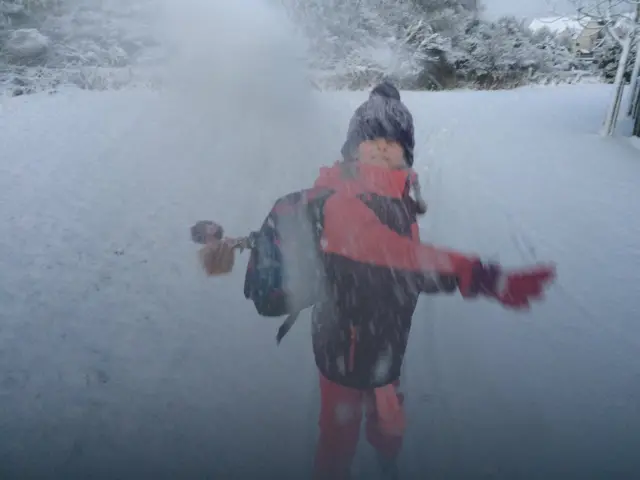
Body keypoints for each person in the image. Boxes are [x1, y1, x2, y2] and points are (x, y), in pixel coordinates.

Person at [197, 82, 556, 480]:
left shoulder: (400, 200)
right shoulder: (339, 203)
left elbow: (410, 275)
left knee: (390, 422)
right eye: (373, 139)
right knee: (338, 434)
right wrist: (476, 275)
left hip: (388, 338)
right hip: (342, 349)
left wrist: (447, 277)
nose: (384, 147)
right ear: (353, 148)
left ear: (407, 153)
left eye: (394, 141)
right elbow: (401, 258)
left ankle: (387, 459)